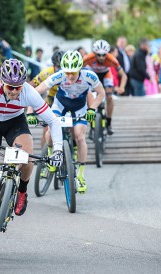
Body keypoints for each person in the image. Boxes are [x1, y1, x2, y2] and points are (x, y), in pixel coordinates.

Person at [0, 59, 64, 248]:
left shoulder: (28, 92)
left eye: (18, 87)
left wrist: (58, 149)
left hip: (15, 124)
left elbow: (53, 121)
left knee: (27, 156)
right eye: (11, 87)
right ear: (2, 81)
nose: (15, 91)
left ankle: (22, 191)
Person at [35, 50, 105, 194]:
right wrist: (30, 110)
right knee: (49, 132)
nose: (70, 76)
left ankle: (80, 175)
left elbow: (101, 93)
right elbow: (37, 91)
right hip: (60, 104)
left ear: (80, 68)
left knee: (79, 136)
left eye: (74, 72)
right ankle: (50, 154)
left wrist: (92, 109)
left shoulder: (89, 76)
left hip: (80, 106)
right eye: (67, 72)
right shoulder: (59, 75)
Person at [83, 39, 127, 135]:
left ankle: (109, 123)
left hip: (106, 74)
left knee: (109, 97)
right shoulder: (88, 57)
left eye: (104, 55)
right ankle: (92, 124)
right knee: (89, 96)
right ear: (94, 53)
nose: (101, 57)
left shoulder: (111, 59)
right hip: (93, 75)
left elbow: (123, 75)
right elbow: (76, 69)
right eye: (98, 55)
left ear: (107, 53)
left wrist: (122, 87)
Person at [26, 50, 64, 149]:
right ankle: (45, 154)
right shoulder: (47, 72)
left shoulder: (69, 73)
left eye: (62, 66)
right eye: (57, 66)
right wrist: (29, 109)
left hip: (66, 100)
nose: (60, 69)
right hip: (52, 98)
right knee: (47, 128)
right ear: (53, 65)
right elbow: (31, 88)